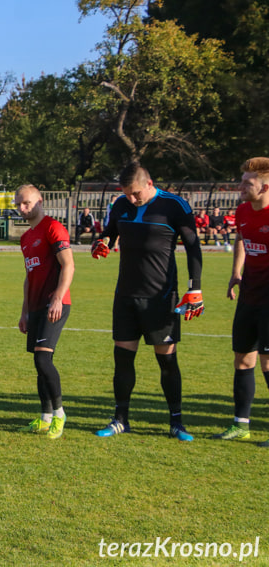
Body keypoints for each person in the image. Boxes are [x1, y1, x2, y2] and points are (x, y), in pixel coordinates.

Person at [91, 162, 203, 441]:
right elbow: (111, 233)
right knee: (123, 359)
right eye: (127, 193)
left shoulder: (174, 205)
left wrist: (195, 288)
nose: (132, 199)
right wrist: (103, 241)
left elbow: (193, 248)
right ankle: (120, 420)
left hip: (161, 297)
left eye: (136, 193)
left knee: (166, 361)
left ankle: (177, 422)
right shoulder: (120, 204)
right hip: (126, 295)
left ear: (150, 183)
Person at [212, 158, 269, 445]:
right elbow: (242, 239)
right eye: (242, 181)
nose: (241, 187)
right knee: (243, 359)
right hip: (249, 294)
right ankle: (240, 424)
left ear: (265, 187)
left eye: (248, 183)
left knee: (268, 363)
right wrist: (236, 272)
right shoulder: (244, 210)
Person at [15, 185, 74, 439]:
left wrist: (58, 298)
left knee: (43, 359)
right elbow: (29, 278)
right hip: (36, 306)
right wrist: (24, 311)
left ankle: (59, 415)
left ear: (40, 201)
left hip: (55, 304)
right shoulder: (25, 238)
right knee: (38, 362)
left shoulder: (53, 227)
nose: (21, 208)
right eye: (18, 204)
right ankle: (45, 418)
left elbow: (68, 265)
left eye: (26, 203)